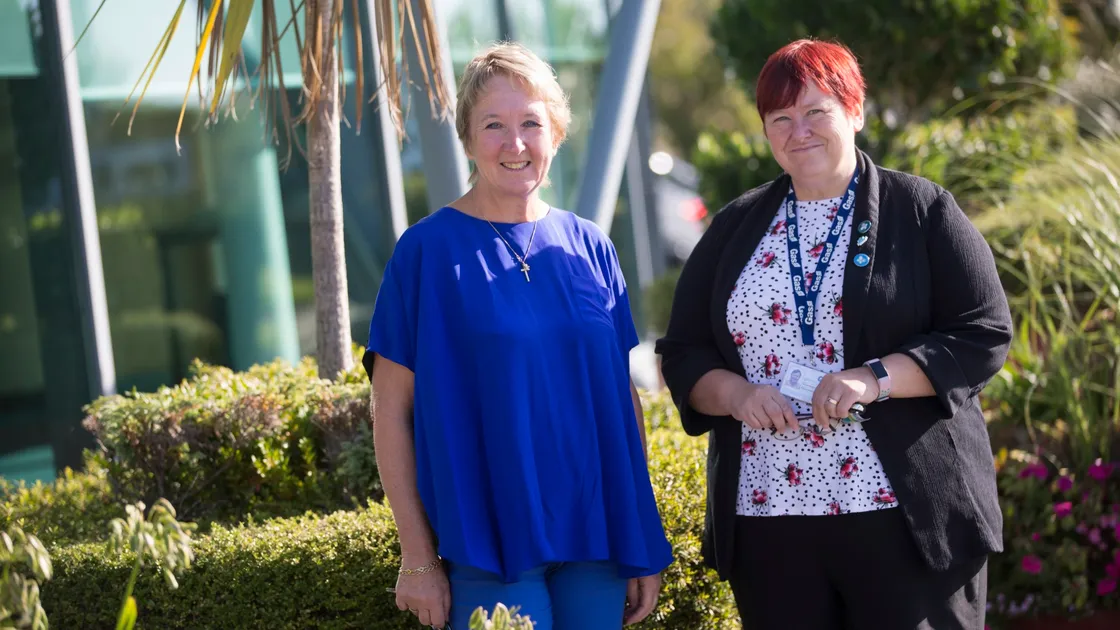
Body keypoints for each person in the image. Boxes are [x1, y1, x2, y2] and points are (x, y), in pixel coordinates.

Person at [655, 39, 1013, 629]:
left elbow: (982, 331)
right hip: (769, 517)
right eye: (780, 118)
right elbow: (683, 352)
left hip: (902, 516)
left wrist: (874, 378)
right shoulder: (735, 227)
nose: (799, 131)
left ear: (855, 111)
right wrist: (738, 396)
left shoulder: (922, 210)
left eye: (816, 111)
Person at [364, 42, 672, 630]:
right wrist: (417, 556)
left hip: (597, 540)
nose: (515, 143)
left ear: (555, 132)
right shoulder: (425, 253)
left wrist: (640, 536)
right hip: (488, 545)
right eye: (493, 126)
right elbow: (391, 410)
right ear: (467, 138)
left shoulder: (591, 246)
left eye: (531, 123)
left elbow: (621, 400)